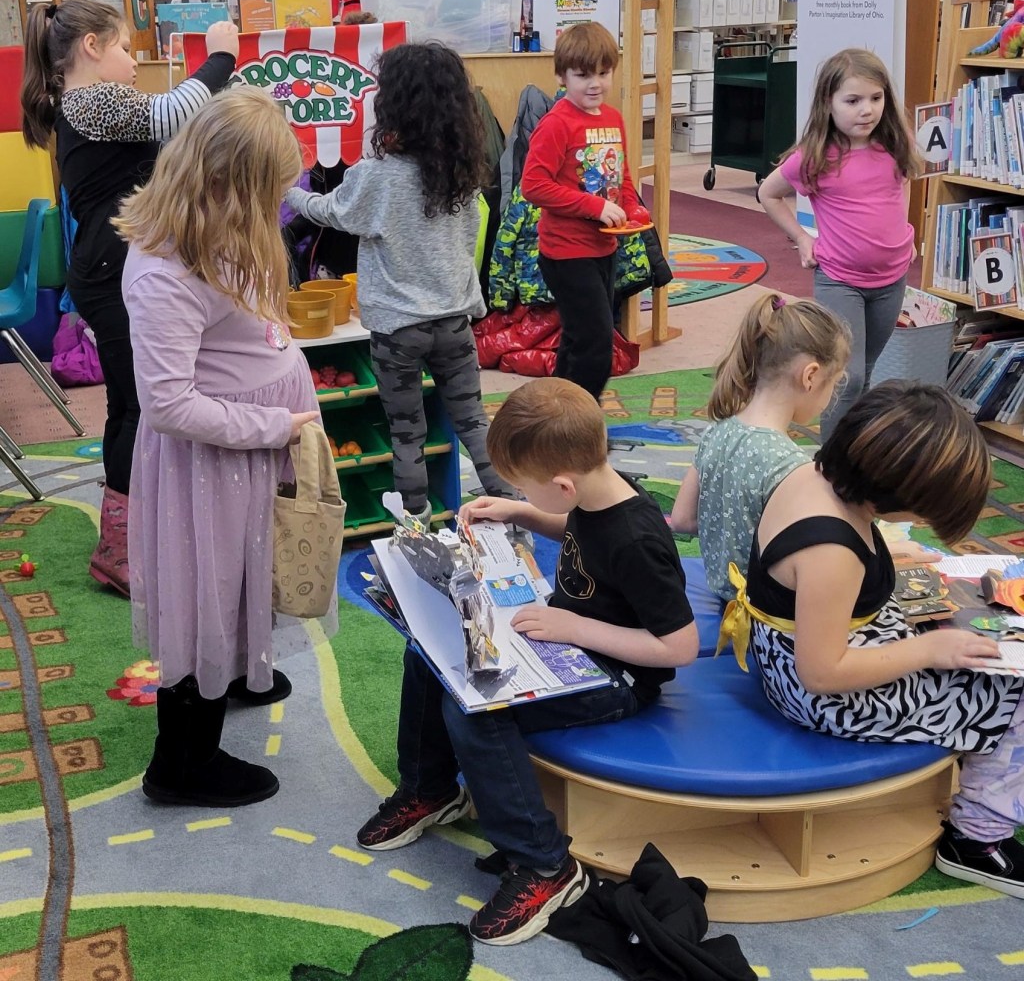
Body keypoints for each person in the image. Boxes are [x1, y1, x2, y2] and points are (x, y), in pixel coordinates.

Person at [357, 378, 699, 944]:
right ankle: (432, 788)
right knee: (430, 653)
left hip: (619, 678)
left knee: (477, 710)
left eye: (526, 485)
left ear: (564, 484)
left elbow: (680, 646)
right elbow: (583, 532)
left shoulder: (639, 540)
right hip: (567, 642)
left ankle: (545, 865)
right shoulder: (595, 493)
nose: (522, 492)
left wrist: (575, 626)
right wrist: (522, 510)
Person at [719, 381, 1024, 896]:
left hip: (799, 650)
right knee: (1016, 696)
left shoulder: (812, 471)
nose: (922, 523)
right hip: (825, 695)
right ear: (890, 491)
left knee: (966, 636)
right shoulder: (831, 550)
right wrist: (927, 650)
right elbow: (822, 675)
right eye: (921, 513)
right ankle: (975, 840)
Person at [112, 88, 324, 807]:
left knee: (239, 573)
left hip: (246, 453)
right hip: (211, 461)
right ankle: (181, 763)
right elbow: (168, 404)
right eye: (268, 193)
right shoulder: (163, 270)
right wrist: (272, 426)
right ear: (225, 182)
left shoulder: (221, 231)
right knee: (202, 587)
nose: (276, 209)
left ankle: (229, 672)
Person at [20, 0, 239, 597]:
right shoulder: (90, 99)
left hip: (109, 268)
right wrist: (219, 55)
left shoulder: (86, 104)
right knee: (143, 407)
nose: (133, 62)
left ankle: (132, 538)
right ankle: (122, 549)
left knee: (130, 404)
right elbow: (173, 113)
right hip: (111, 273)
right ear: (91, 47)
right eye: (122, 47)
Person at [285, 42, 514, 525]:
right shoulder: (462, 173)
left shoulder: (378, 175)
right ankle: (510, 511)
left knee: (407, 432)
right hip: (454, 321)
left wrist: (288, 193)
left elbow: (332, 212)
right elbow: (468, 236)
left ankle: (415, 522)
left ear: (392, 105)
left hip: (397, 330)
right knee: (474, 424)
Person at [757, 48, 922, 439]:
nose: (866, 110)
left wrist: (905, 227)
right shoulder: (814, 156)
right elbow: (769, 193)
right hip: (840, 280)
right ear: (828, 103)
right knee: (847, 375)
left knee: (865, 373)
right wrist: (800, 238)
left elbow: (903, 184)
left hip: (891, 279)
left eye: (876, 98)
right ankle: (831, 460)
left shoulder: (896, 143)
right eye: (853, 101)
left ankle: (854, 450)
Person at [671, 292, 851, 602]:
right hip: (765, 609)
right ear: (810, 376)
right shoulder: (792, 465)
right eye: (835, 382)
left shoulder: (718, 431)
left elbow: (682, 519)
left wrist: (727, 524)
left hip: (722, 592)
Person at [520, 22, 649, 403]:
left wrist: (630, 208)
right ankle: (580, 422)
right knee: (596, 348)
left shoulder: (612, 117)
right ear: (562, 76)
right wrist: (596, 207)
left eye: (604, 73)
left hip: (604, 248)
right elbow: (534, 185)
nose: (595, 83)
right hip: (565, 252)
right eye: (582, 75)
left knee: (578, 341)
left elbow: (620, 176)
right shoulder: (557, 123)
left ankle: (555, 418)